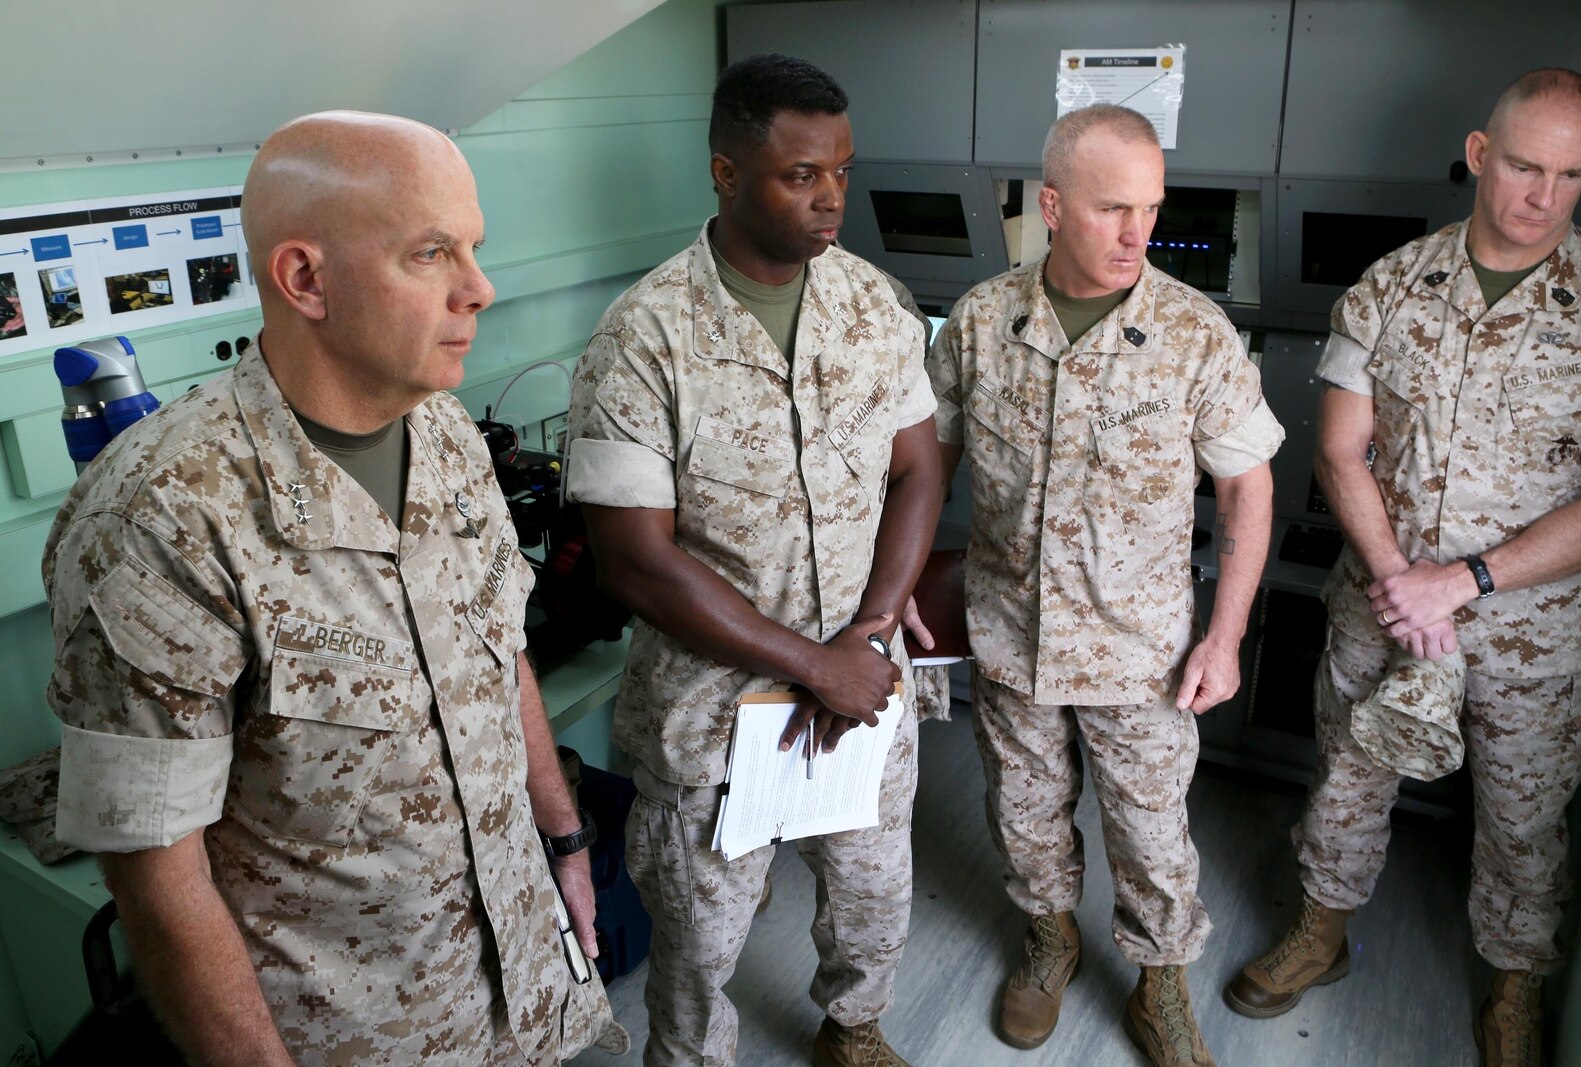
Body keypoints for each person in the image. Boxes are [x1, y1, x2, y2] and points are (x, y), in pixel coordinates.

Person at [42, 111, 625, 1065]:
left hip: (528, 981)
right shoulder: (162, 516)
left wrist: (563, 836)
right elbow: (157, 869)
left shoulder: (442, 433)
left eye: (472, 248)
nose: (478, 289)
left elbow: (499, 647)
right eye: (431, 253)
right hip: (353, 1034)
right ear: (305, 278)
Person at [1223, 69, 1581, 1067]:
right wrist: (1399, 577)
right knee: (1344, 778)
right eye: (1521, 166)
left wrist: (1461, 581)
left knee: (1523, 818)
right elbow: (1338, 448)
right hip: (1380, 607)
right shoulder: (1387, 285)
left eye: (1567, 175)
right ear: (1480, 155)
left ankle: (1513, 985)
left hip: (1533, 635)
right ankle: (1320, 931)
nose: (1539, 196)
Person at [565, 54, 943, 1067]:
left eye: (842, 172)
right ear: (727, 174)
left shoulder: (872, 305)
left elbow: (917, 469)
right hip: (712, 711)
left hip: (859, 679)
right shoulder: (642, 337)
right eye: (799, 175)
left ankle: (853, 1026)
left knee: (871, 891)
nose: (830, 200)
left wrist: (866, 630)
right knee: (698, 937)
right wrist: (809, 661)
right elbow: (632, 562)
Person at [925, 104, 1282, 1067]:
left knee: (1151, 835)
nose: (1138, 234)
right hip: (1008, 635)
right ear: (1050, 205)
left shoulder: (1192, 333)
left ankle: (1159, 985)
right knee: (1025, 818)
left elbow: (1249, 485)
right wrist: (897, 600)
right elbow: (925, 463)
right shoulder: (978, 321)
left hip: (1141, 652)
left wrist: (1225, 635)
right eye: (1112, 208)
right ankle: (1049, 942)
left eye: (1152, 209)